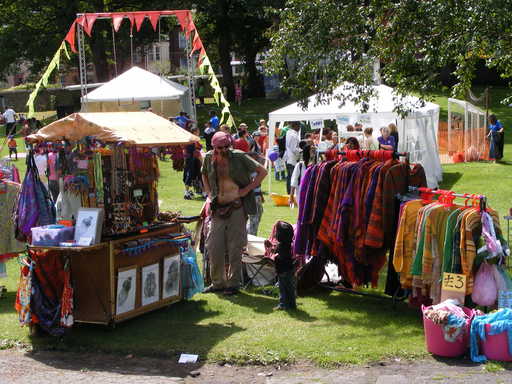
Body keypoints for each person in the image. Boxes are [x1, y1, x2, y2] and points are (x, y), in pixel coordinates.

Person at [202, 131, 267, 295]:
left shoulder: (238, 156)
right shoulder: (209, 158)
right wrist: (209, 194)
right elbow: (203, 174)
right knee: (214, 246)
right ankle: (217, 283)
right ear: (213, 146)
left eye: (226, 147)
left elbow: (263, 172)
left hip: (237, 206)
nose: (223, 150)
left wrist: (246, 190)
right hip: (218, 207)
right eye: (219, 148)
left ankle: (233, 284)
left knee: (235, 247)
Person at [265, 221, 296, 310]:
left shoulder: (282, 246)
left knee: (283, 288)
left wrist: (274, 256)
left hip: (283, 270)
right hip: (289, 270)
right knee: (290, 288)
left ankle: (283, 304)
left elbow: (279, 256)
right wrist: (271, 247)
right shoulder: (287, 244)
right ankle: (292, 304)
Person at [246, 152, 265, 236]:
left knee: (259, 214)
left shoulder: (256, 170)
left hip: (257, 197)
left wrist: (261, 195)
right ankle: (251, 236)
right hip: (252, 197)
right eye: (256, 158)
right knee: (254, 219)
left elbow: (258, 184)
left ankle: (250, 234)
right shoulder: (247, 171)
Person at [289, 140, 312, 208]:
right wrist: (291, 195)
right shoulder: (300, 165)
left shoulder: (317, 166)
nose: (313, 154)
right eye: (311, 152)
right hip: (301, 192)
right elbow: (294, 181)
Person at [183, 127, 204, 199]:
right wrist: (202, 160)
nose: (199, 133)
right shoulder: (191, 140)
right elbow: (195, 151)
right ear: (194, 132)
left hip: (194, 160)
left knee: (199, 175)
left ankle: (202, 192)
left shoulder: (194, 140)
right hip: (191, 160)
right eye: (198, 131)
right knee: (189, 176)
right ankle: (186, 193)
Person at [283, 122, 301, 194]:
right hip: (292, 158)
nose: (299, 128)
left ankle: (289, 192)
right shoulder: (293, 135)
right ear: (295, 126)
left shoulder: (288, 132)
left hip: (288, 157)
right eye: (299, 126)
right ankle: (291, 193)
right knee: (292, 176)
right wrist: (301, 151)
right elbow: (294, 148)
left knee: (289, 176)